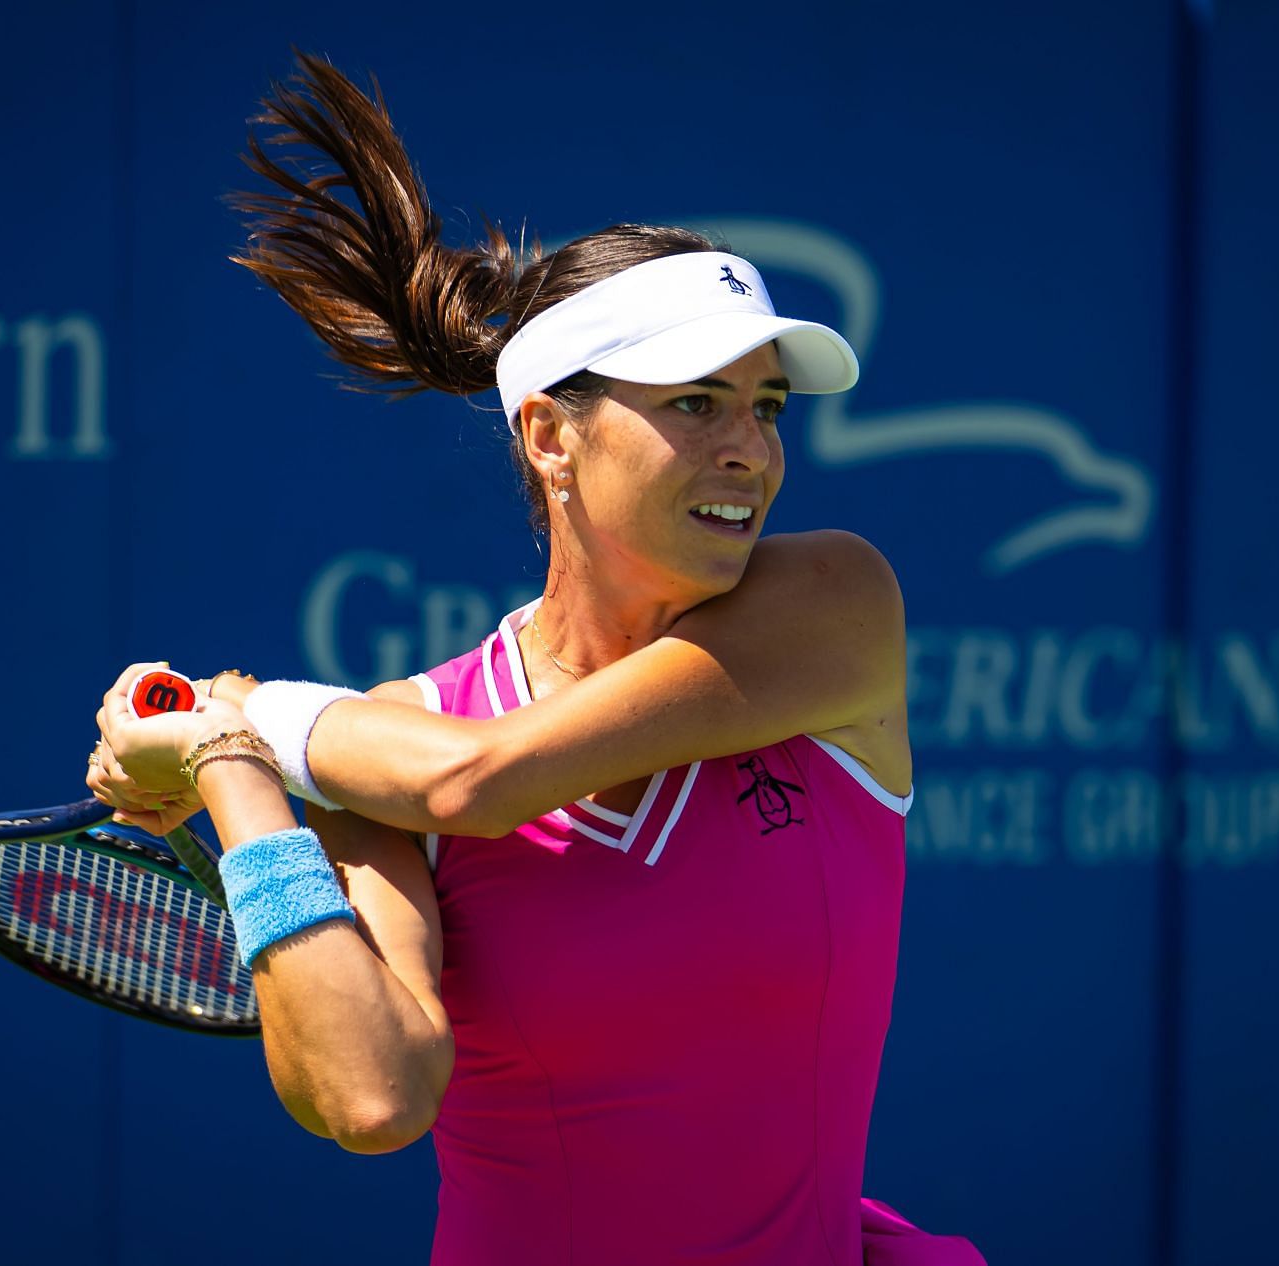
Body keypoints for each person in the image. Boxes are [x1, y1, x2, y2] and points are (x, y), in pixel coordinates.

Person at [89, 54, 984, 1266]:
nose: (749, 452)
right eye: (695, 403)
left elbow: (480, 782)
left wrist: (241, 720)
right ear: (553, 437)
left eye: (766, 407)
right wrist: (236, 777)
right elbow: (369, 1097)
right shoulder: (391, 743)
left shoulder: (832, 604)